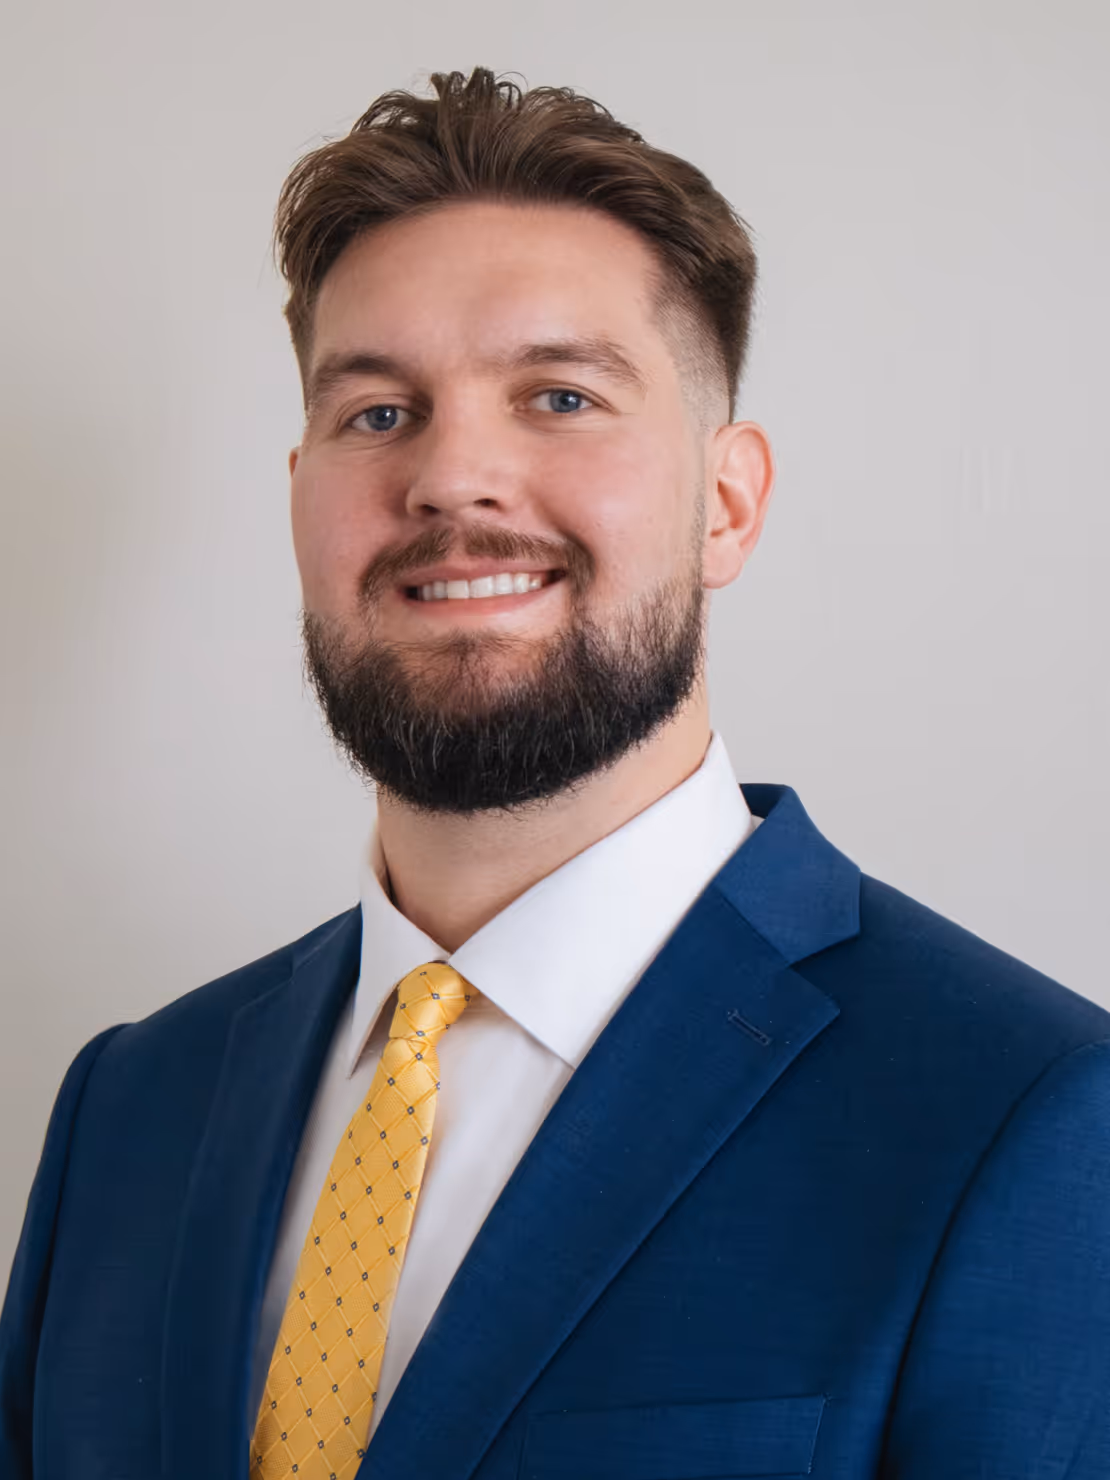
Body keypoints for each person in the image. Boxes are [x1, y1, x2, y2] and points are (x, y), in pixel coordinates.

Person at [1, 65, 1107, 1480]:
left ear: (726, 502)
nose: (452, 478)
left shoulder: (1024, 1115)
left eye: (560, 396)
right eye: (377, 413)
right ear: (299, 495)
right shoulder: (129, 1108)